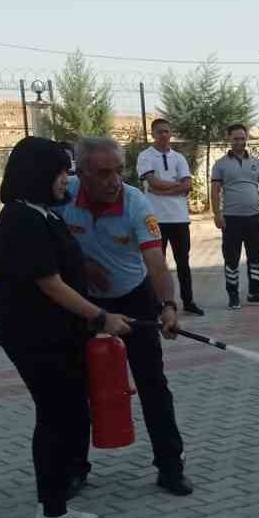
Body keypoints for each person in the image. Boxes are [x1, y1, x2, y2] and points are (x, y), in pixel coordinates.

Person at [0, 136, 130, 518]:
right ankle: (54, 517)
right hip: (38, 339)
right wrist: (101, 316)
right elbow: (50, 284)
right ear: (39, 174)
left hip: (54, 335)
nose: (67, 180)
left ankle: (50, 504)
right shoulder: (22, 219)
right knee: (58, 421)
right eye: (62, 172)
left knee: (61, 420)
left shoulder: (41, 214)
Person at [58, 136, 193, 496]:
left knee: (153, 385)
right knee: (74, 388)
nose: (113, 180)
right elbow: (48, 244)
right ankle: (74, 469)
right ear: (81, 172)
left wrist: (167, 306)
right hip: (83, 303)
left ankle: (170, 466)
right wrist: (82, 265)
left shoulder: (136, 203)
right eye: (103, 173)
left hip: (134, 298)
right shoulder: (64, 196)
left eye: (118, 171)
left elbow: (156, 264)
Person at [136, 119, 203, 316]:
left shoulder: (179, 158)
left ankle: (189, 301)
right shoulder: (146, 156)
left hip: (180, 218)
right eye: (159, 132)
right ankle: (159, 303)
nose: (164, 135)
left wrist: (161, 190)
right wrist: (176, 186)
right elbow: (152, 182)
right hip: (155, 220)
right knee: (157, 264)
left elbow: (188, 185)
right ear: (153, 134)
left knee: (184, 262)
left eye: (166, 131)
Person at [209, 123, 259, 310]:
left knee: (255, 257)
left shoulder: (257, 162)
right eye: (235, 139)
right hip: (231, 220)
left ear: (247, 138)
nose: (239, 142)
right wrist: (216, 214)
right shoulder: (220, 165)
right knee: (231, 259)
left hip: (253, 219)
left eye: (242, 138)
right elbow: (214, 191)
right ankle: (233, 296)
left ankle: (254, 293)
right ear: (229, 139)